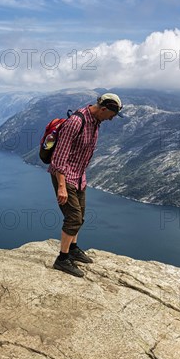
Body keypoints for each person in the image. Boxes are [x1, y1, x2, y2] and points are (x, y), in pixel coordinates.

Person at [49, 93, 123, 277]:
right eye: (112, 115)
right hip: (65, 177)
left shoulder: (95, 123)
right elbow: (59, 158)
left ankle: (73, 249)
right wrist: (61, 186)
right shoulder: (76, 122)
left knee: (80, 216)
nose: (112, 119)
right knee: (73, 218)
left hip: (79, 176)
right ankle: (62, 259)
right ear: (104, 109)